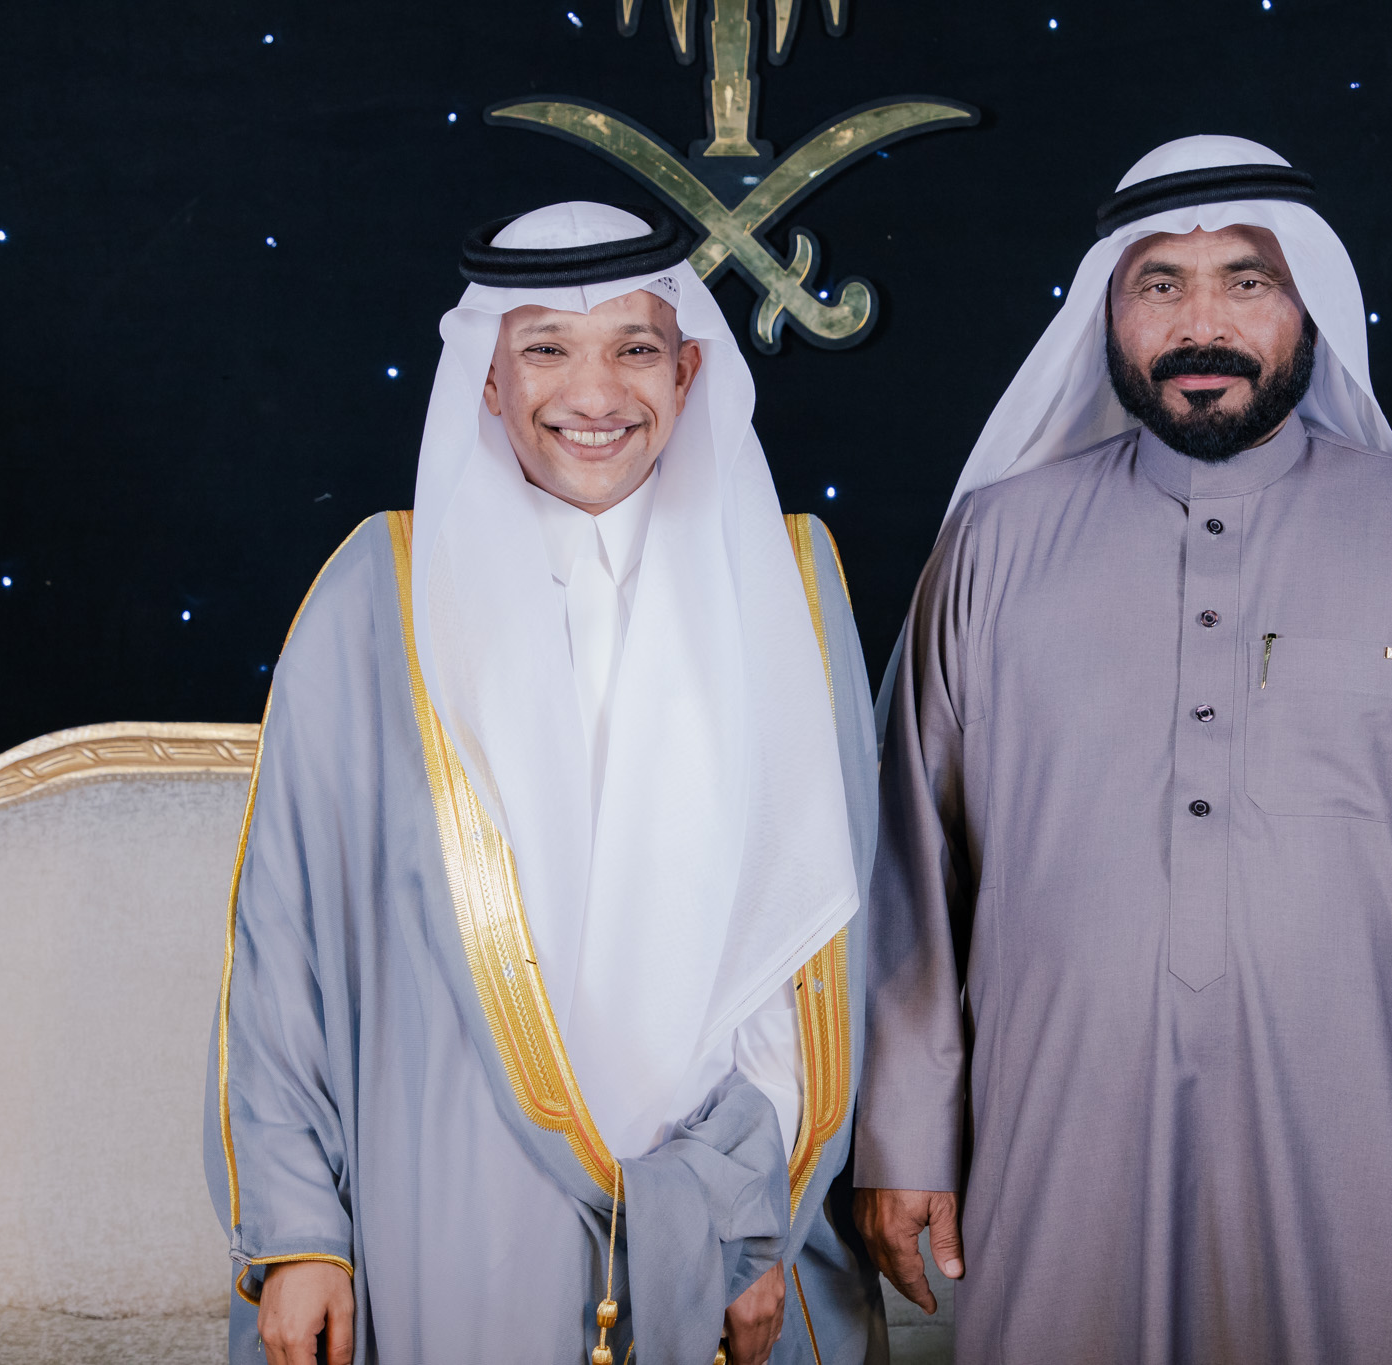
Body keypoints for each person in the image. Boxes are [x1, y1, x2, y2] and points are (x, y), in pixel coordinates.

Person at [852, 135, 1392, 1361]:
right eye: (1159, 283)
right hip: (1057, 1152)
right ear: (1106, 312)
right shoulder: (995, 548)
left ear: (1307, 303)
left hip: (1379, 1162)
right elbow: (910, 868)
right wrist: (902, 1138)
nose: (1200, 324)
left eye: (1246, 280)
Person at [206, 201, 885, 1365]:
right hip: (450, 1199)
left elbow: (812, 943)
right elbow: (285, 941)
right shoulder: (379, 595)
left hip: (720, 1199)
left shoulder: (785, 582)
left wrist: (746, 1221)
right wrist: (301, 1234)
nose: (594, 391)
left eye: (633, 347)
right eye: (546, 349)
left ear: (686, 372)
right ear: (486, 377)